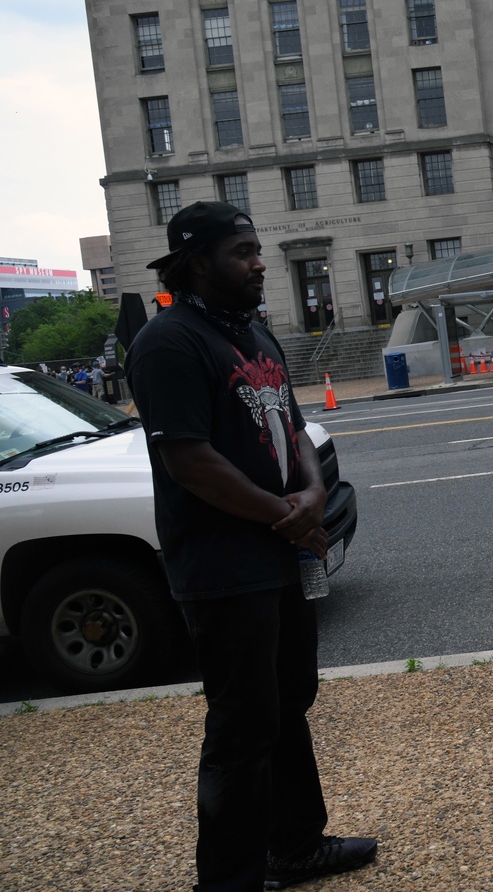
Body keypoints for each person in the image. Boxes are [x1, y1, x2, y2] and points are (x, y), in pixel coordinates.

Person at [125, 201, 377, 892]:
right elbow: (189, 459)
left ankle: (295, 846)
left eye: (258, 250)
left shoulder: (255, 333)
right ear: (198, 262)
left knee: (289, 698)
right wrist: (284, 513)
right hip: (221, 565)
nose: (260, 262)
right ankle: (230, 880)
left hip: (282, 553)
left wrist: (313, 496)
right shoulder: (168, 342)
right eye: (244, 252)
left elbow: (295, 427)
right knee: (241, 725)